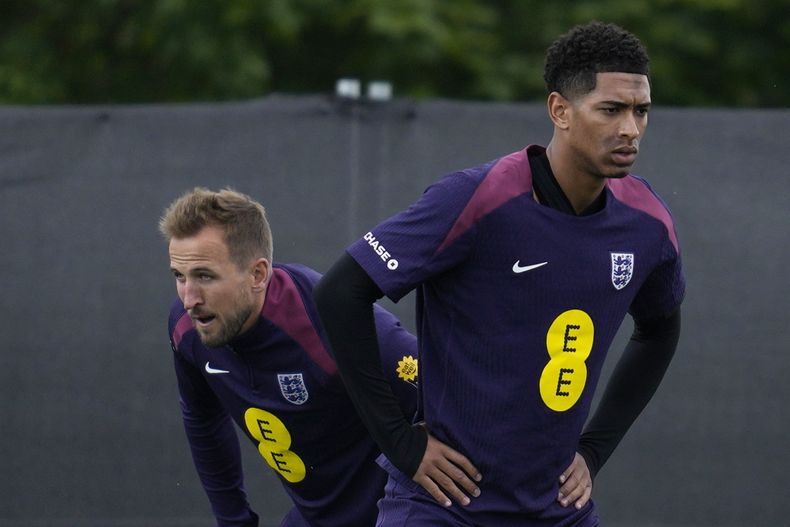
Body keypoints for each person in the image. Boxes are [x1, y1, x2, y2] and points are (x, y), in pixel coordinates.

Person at [314, 21, 685, 527]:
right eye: (611, 109)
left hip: (557, 510)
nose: (631, 129)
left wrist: (593, 452)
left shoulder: (648, 223)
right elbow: (340, 294)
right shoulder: (475, 198)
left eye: (641, 110)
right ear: (559, 110)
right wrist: (402, 444)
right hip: (444, 508)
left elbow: (660, 330)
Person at [159, 187, 419, 527]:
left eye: (205, 276)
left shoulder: (327, 320)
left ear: (257, 274)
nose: (189, 298)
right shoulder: (187, 327)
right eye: (180, 277)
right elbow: (201, 419)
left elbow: (445, 395)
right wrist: (233, 521)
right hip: (317, 517)